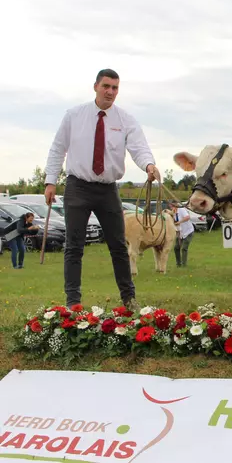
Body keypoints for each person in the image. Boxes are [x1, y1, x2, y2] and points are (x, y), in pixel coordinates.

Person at [43, 69, 160, 311]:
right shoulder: (74, 115)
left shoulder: (125, 119)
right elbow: (58, 149)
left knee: (118, 245)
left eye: (115, 88)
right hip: (78, 187)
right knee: (74, 245)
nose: (110, 92)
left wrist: (149, 165)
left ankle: (129, 299)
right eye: (106, 86)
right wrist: (50, 181)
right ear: (95, 86)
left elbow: (139, 148)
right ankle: (73, 302)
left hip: (108, 189)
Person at [170, 201, 195, 267]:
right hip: (180, 233)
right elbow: (176, 226)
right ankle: (178, 264)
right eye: (171, 207)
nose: (172, 208)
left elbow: (187, 217)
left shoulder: (182, 209)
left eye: (173, 206)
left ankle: (184, 264)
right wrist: (178, 236)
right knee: (176, 248)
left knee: (184, 248)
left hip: (188, 232)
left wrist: (179, 222)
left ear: (176, 206)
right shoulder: (173, 214)